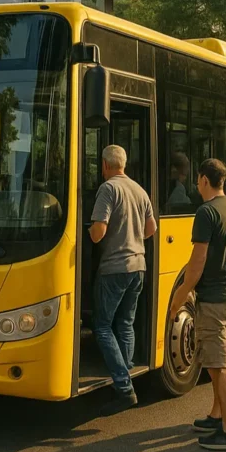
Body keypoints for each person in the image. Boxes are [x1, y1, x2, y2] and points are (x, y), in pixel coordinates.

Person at [168, 158, 226, 452]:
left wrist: (179, 298)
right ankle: (216, 416)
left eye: (198, 180)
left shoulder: (206, 212)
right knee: (217, 362)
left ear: (204, 180)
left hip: (214, 300)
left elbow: (197, 262)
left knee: (218, 366)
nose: (196, 185)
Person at [89, 145, 156, 416]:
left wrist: (89, 230)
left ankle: (124, 387)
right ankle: (127, 374)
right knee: (126, 323)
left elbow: (98, 232)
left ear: (105, 165)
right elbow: (151, 228)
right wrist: (132, 239)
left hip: (114, 268)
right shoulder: (139, 190)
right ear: (123, 164)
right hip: (138, 266)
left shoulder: (108, 189)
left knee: (102, 326)